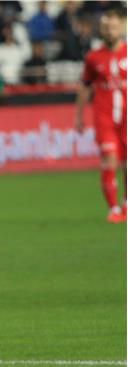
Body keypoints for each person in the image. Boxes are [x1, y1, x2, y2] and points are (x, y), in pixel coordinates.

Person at [75, 10, 127, 223]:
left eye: (113, 27)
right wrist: (79, 116)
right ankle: (113, 208)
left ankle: (125, 203)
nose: (110, 31)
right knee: (110, 160)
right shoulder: (93, 57)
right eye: (106, 27)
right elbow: (85, 86)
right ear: (101, 30)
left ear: (121, 28)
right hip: (104, 117)